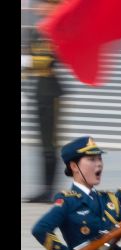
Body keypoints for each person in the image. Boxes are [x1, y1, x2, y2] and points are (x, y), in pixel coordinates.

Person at [23, 0, 64, 203]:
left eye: (44, 4)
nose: (39, 8)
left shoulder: (56, 30)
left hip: (51, 91)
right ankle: (43, 187)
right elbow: (30, 58)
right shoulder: (36, 31)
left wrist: (26, 62)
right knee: (41, 142)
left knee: (50, 142)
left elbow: (48, 58)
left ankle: (50, 188)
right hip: (38, 91)